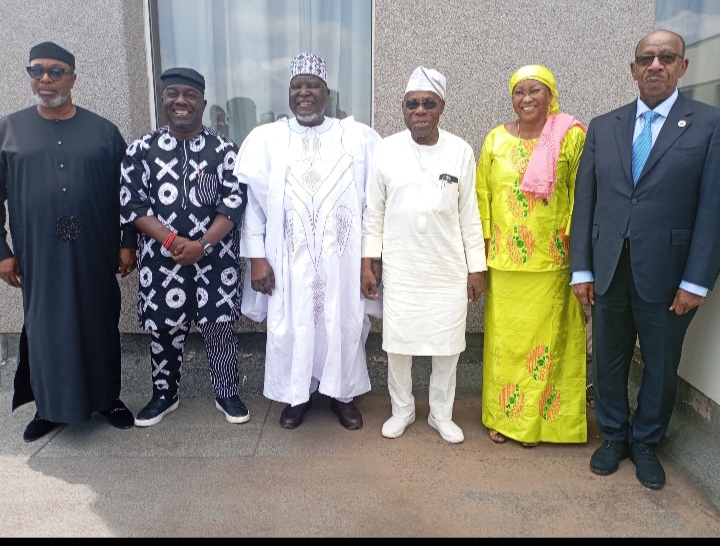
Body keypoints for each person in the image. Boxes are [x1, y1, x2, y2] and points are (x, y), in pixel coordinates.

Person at [570, 30, 720, 490]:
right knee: (608, 361)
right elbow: (586, 202)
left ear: (682, 67)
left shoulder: (709, 124)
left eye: (666, 58)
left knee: (660, 364)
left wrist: (697, 280)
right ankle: (614, 436)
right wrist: (581, 268)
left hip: (669, 275)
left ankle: (647, 442)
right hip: (609, 269)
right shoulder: (604, 126)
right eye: (647, 58)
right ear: (633, 69)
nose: (656, 65)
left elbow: (713, 208)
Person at [234, 52, 381, 430]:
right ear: (288, 93)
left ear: (326, 92)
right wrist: (256, 258)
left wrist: (369, 259)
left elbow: (373, 204)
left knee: (344, 322)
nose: (304, 93)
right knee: (291, 324)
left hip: (342, 260)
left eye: (312, 86)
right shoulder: (268, 139)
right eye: (296, 86)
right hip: (288, 259)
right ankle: (296, 395)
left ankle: (342, 395)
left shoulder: (357, 137)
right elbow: (254, 207)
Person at [0, 41, 136, 441]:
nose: (46, 78)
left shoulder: (104, 132)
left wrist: (128, 241)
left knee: (99, 321)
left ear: (73, 78)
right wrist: (2, 252)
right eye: (37, 70)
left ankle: (107, 399)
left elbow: (129, 195)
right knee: (46, 327)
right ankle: (49, 407)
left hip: (95, 251)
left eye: (56, 71)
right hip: (38, 254)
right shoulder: (8, 131)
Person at [361, 66, 487, 444]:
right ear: (403, 107)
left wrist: (477, 268)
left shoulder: (460, 150)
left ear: (441, 107)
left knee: (447, 347)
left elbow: (470, 215)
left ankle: (440, 414)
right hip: (401, 266)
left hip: (447, 268)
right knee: (398, 346)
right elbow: (373, 211)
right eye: (412, 103)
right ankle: (402, 410)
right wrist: (369, 262)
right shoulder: (386, 150)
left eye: (428, 103)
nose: (419, 110)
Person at [120, 67, 249, 427]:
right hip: (161, 260)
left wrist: (203, 244)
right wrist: (172, 240)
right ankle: (164, 394)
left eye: (190, 95)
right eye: (172, 94)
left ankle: (226, 392)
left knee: (220, 327)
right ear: (162, 100)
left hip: (215, 259)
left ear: (203, 103)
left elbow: (234, 204)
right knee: (163, 328)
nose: (181, 101)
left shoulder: (225, 150)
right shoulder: (141, 150)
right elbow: (133, 205)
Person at [476, 65, 588, 448]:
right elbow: (482, 198)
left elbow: (582, 195)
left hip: (552, 262)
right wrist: (480, 253)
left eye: (535, 90)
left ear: (550, 95)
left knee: (544, 349)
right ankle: (503, 418)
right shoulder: (494, 140)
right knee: (505, 347)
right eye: (519, 91)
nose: (526, 98)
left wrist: (579, 252)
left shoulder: (570, 136)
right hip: (504, 265)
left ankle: (533, 425)